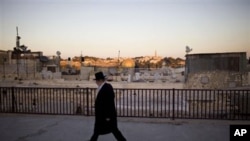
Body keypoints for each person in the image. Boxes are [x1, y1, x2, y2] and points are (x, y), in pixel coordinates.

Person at [89, 71, 127, 141]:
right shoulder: (104, 87)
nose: (96, 82)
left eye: (96, 81)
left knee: (114, 130)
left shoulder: (106, 88)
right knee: (98, 131)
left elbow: (108, 103)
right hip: (102, 115)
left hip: (106, 116)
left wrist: (108, 116)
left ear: (100, 80)